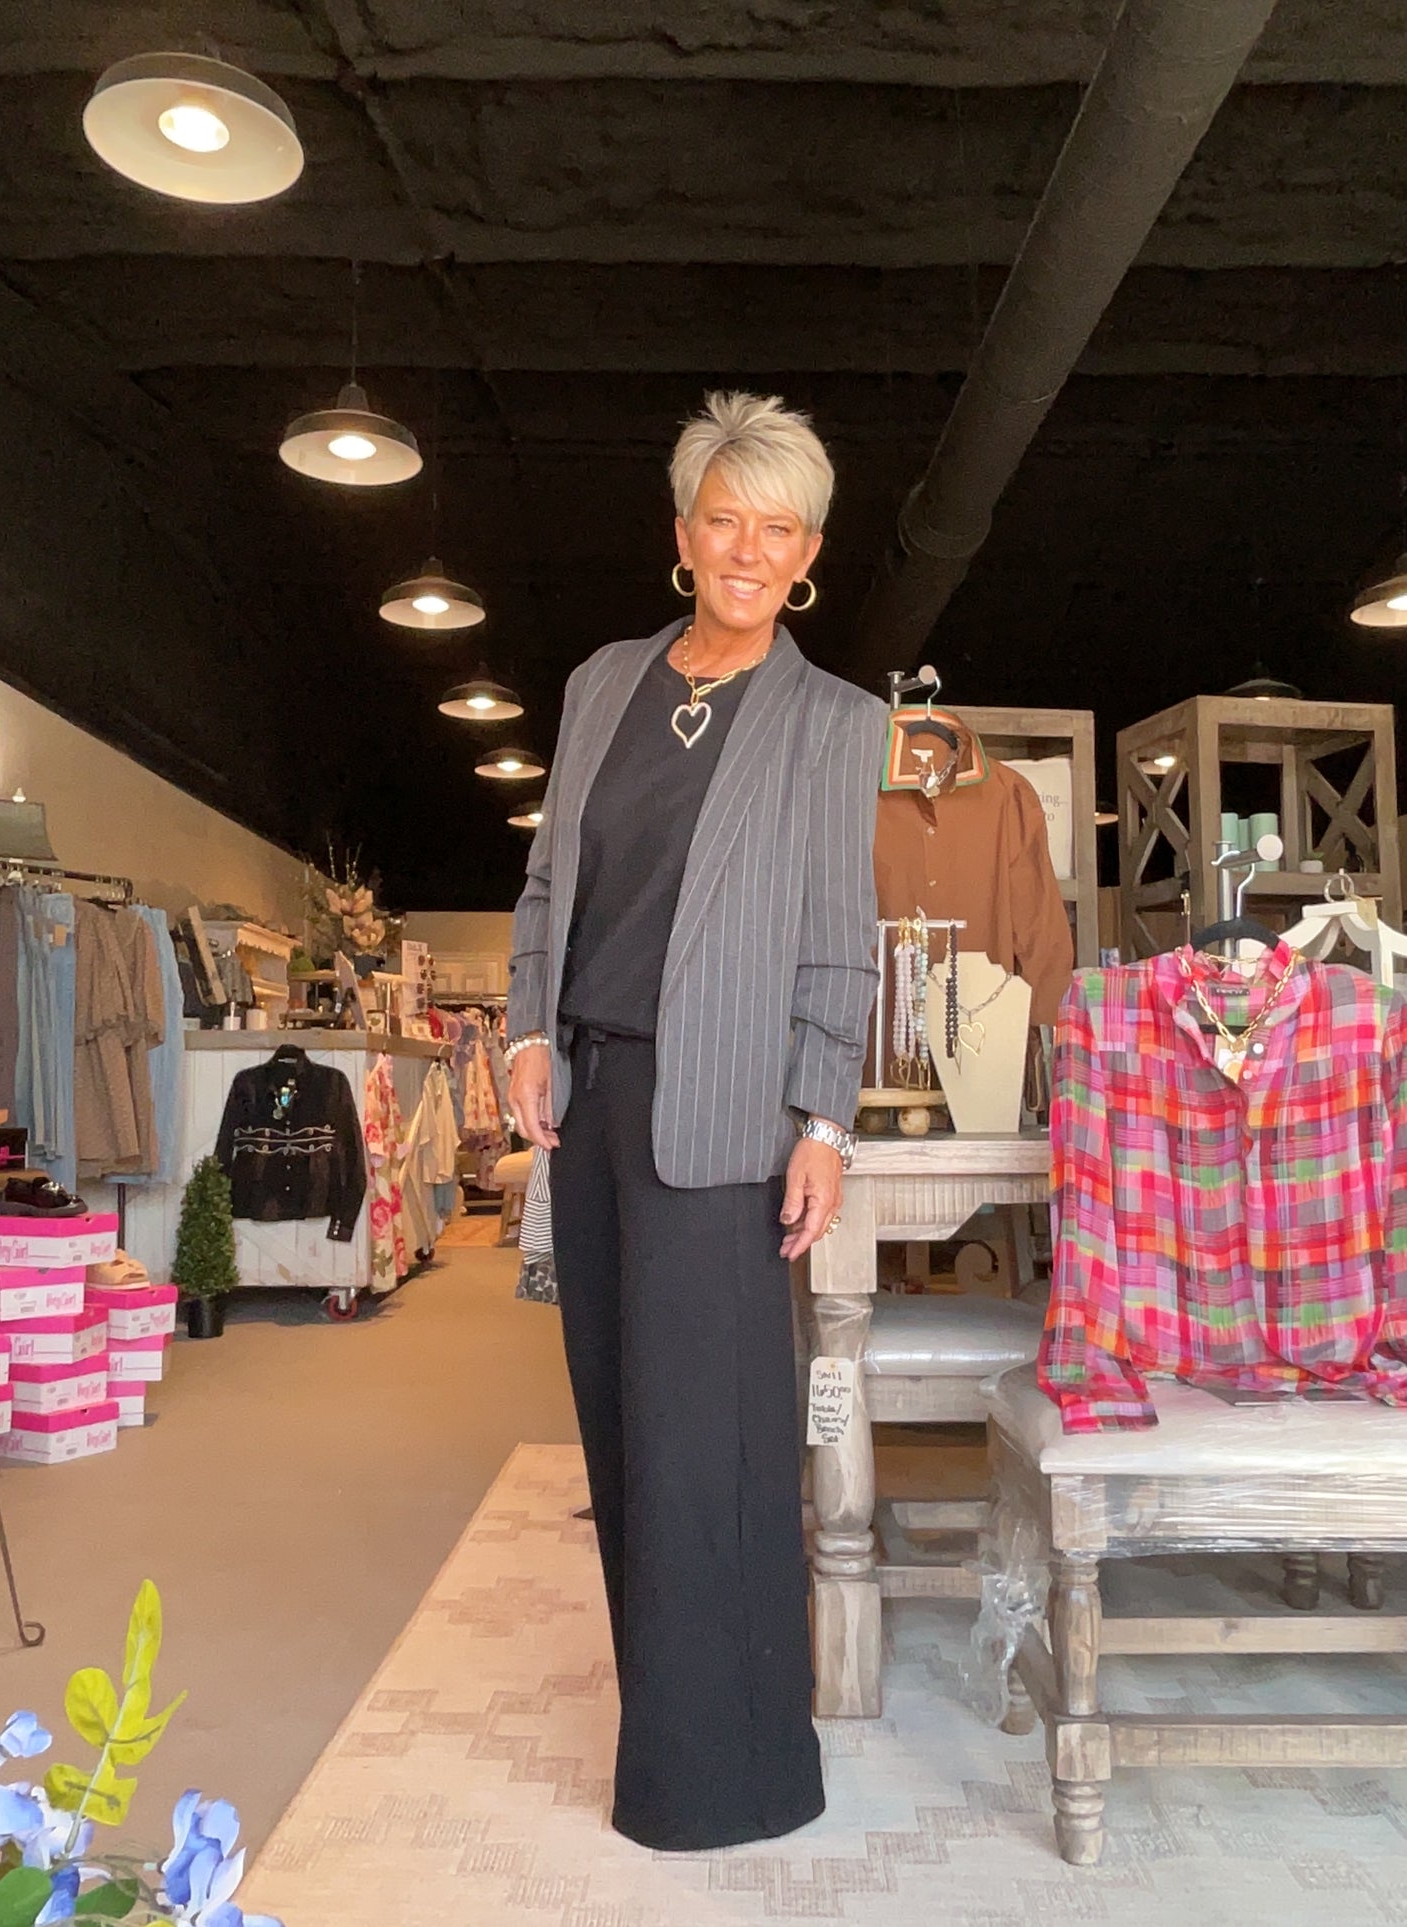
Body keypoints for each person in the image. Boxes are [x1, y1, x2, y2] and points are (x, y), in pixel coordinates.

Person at [506, 391, 886, 1852]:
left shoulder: (830, 720)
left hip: (724, 1113)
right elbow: (551, 883)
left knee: (712, 1444)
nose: (746, 547)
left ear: (806, 557)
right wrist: (530, 1029)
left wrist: (824, 1119)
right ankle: (657, 1736)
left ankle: (736, 1769)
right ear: (682, 533)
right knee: (619, 1432)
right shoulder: (601, 683)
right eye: (722, 518)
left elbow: (834, 936)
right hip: (593, 1101)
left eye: (776, 528)